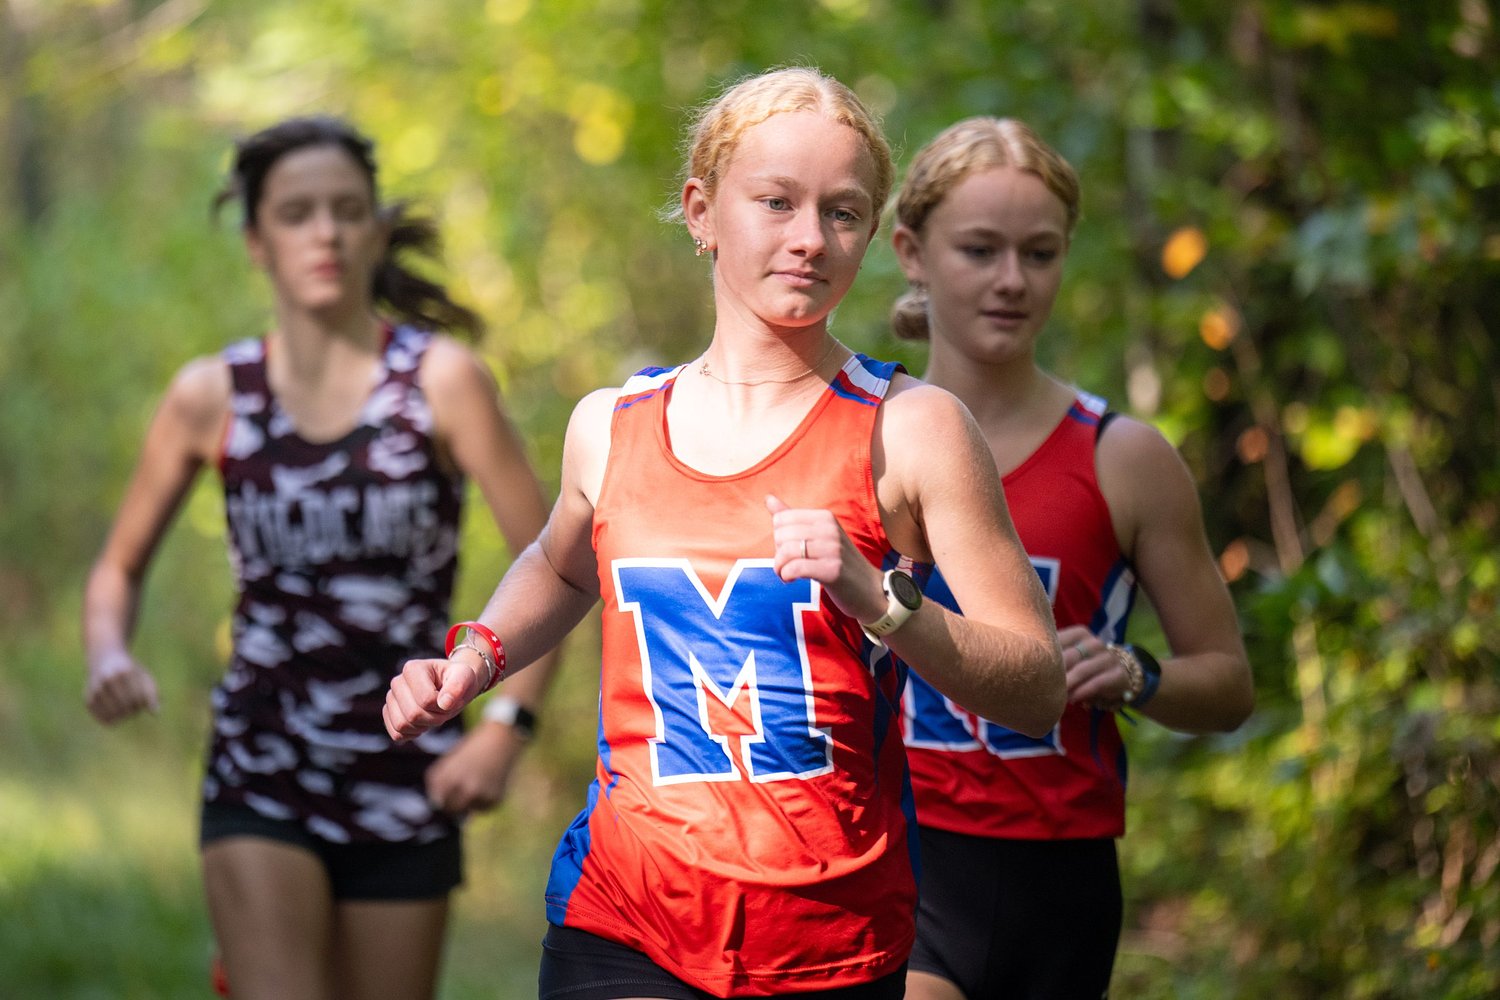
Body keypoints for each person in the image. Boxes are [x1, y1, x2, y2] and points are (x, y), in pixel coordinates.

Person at [382, 68, 1065, 999]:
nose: (807, 239)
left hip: (830, 941)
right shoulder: (610, 423)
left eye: (843, 213)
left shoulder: (915, 429)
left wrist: (882, 602)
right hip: (621, 917)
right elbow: (558, 566)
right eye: (775, 202)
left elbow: (1037, 689)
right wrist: (474, 658)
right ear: (702, 211)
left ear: (872, 234)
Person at [82, 115, 561, 1000]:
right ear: (257, 239)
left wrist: (505, 732)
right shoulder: (211, 394)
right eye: (297, 213)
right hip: (260, 764)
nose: (326, 233)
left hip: (407, 769)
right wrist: (108, 652)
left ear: (377, 228)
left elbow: (558, 562)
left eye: (347, 210)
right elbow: (118, 568)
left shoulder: (441, 381)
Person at [888, 116, 1256, 1000]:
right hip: (896, 853)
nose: (1012, 281)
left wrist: (1135, 672)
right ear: (910, 251)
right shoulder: (857, 434)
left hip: (1062, 880)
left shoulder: (1123, 457)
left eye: (1039, 254)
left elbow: (1231, 687)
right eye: (979, 250)